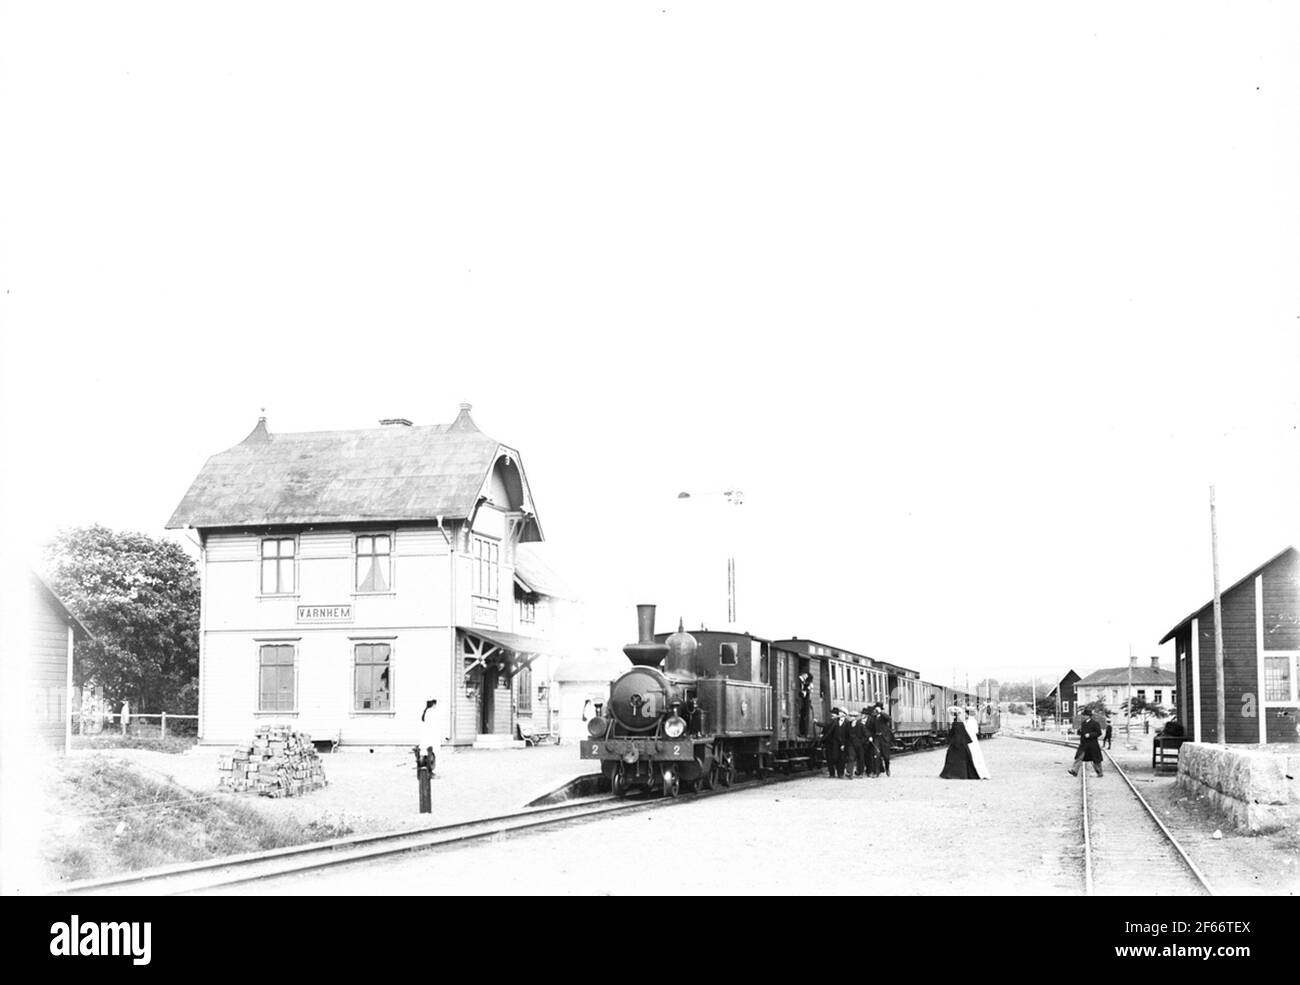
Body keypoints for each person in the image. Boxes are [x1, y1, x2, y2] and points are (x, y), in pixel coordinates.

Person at [940, 707, 978, 779]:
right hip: (961, 743)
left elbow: (957, 734)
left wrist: (955, 743)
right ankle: (960, 774)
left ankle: (955, 774)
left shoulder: (956, 722)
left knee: (953, 758)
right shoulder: (958, 721)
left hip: (958, 743)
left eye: (950, 714)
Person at [1069, 708, 1104, 777]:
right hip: (1084, 744)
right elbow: (1081, 733)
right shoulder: (1083, 723)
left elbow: (1099, 733)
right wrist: (1079, 731)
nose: (1084, 716)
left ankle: (1099, 773)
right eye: (1083, 715)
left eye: (1085, 715)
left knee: (1096, 760)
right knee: (1079, 757)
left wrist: (1090, 735)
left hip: (1092, 745)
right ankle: (1074, 771)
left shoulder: (1095, 723)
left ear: (1088, 716)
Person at [964, 706, 991, 779]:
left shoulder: (970, 721)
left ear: (968, 714)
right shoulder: (972, 721)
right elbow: (976, 731)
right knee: (974, 754)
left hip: (971, 739)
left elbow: (972, 731)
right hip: (972, 739)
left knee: (973, 754)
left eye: (965, 713)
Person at [822, 708, 847, 778]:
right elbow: (826, 728)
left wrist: (844, 744)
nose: (832, 715)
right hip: (831, 742)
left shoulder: (846, 722)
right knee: (831, 758)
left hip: (839, 743)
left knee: (840, 758)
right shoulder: (834, 721)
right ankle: (832, 773)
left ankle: (840, 773)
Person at [872, 701, 893, 777]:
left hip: (884, 738)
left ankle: (887, 768)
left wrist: (881, 712)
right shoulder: (873, 717)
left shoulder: (883, 716)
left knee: (886, 756)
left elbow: (889, 718)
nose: (876, 711)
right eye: (875, 709)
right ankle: (876, 772)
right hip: (877, 738)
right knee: (876, 755)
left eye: (877, 709)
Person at [847, 711, 868, 777]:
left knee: (860, 758)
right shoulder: (848, 725)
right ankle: (850, 773)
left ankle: (860, 772)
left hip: (859, 745)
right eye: (851, 716)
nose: (851, 717)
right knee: (851, 758)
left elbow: (866, 734)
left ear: (856, 717)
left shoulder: (861, 725)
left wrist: (861, 742)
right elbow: (845, 734)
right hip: (851, 745)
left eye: (853, 716)